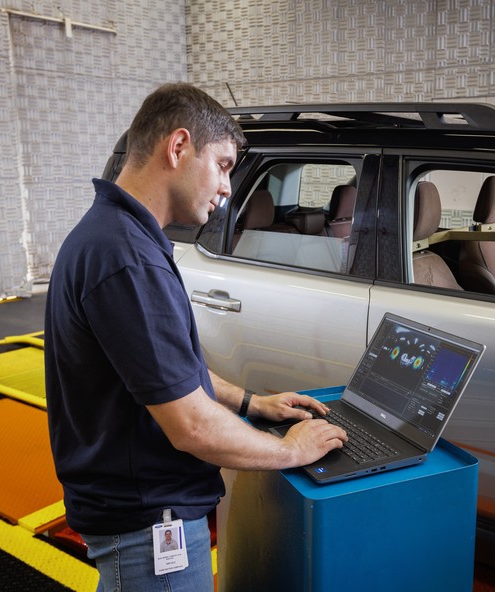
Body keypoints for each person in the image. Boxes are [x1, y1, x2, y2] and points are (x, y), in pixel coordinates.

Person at [44, 82, 347, 592]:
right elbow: (191, 426)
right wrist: (289, 452)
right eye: (224, 164)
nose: (228, 187)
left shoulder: (117, 236)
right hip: (148, 528)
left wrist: (253, 402)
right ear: (178, 146)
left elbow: (165, 373)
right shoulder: (127, 258)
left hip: (135, 515)